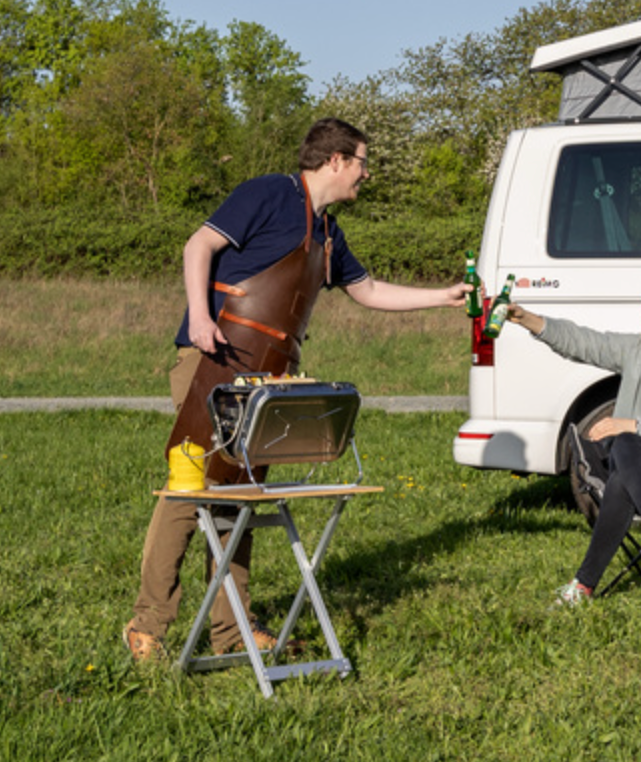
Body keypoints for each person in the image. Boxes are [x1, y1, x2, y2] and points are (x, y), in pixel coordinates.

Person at [123, 118, 469, 660]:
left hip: (268, 380)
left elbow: (369, 291)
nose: (366, 172)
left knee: (238, 503)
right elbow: (199, 245)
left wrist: (443, 297)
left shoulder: (330, 232)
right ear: (334, 160)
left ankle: (231, 630)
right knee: (189, 489)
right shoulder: (267, 193)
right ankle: (148, 626)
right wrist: (198, 316)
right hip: (212, 362)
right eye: (361, 161)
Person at [504, 273, 641, 606]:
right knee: (626, 446)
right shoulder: (638, 350)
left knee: (624, 466)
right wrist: (525, 318)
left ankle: (583, 587)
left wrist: (632, 424)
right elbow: (583, 342)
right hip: (634, 460)